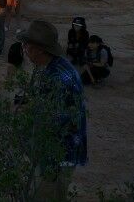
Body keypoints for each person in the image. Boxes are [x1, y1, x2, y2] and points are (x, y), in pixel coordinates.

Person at [17, 20, 87, 201]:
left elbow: (54, 119)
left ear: (40, 49)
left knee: (47, 193)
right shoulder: (53, 66)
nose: (24, 48)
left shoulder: (57, 77)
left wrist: (27, 111)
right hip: (59, 147)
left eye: (27, 45)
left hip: (59, 151)